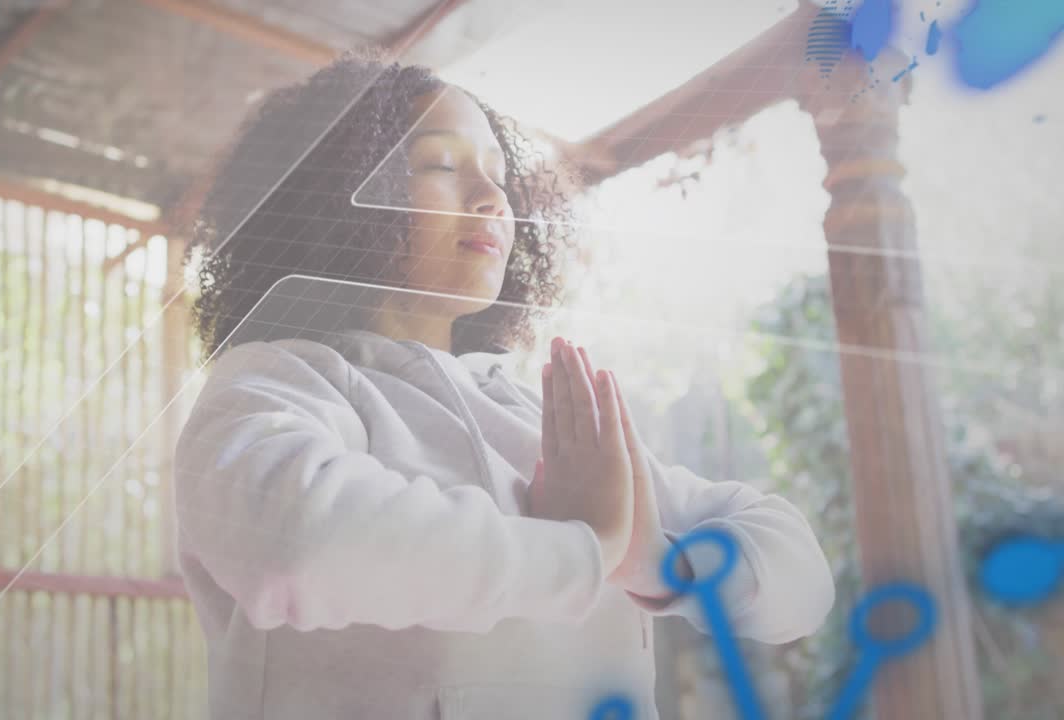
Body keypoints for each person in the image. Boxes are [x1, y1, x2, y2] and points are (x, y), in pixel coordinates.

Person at [174, 48, 834, 720]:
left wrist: (657, 562)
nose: (492, 199)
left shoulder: (549, 420)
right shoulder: (278, 381)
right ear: (332, 191)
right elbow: (293, 542)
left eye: (498, 177)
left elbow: (803, 580)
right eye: (441, 165)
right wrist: (586, 550)